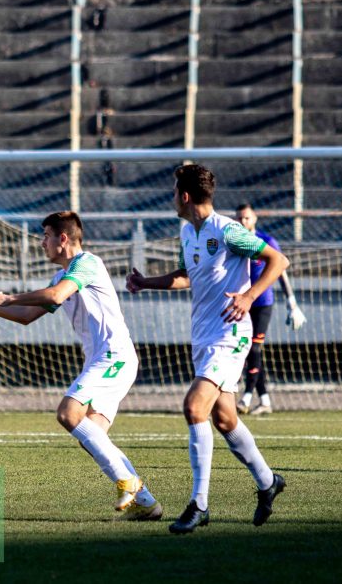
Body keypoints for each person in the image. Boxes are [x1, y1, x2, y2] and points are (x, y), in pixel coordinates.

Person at [0, 211, 163, 521]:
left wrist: (6, 297)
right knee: (92, 434)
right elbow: (27, 315)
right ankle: (147, 503)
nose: (42, 244)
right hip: (106, 359)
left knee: (68, 414)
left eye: (45, 236)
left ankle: (129, 483)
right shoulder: (63, 275)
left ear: (62, 238)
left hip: (114, 357)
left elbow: (55, 295)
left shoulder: (87, 264)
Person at [126, 164, 288, 534]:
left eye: (173, 192)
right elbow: (185, 276)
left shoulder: (229, 230)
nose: (173, 199)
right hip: (203, 335)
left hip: (231, 334)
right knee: (224, 418)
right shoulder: (188, 232)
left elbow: (278, 261)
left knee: (194, 406)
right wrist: (145, 282)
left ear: (184, 196)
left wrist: (248, 296)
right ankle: (267, 482)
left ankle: (199, 505)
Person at [235, 203, 307, 415]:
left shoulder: (267, 241)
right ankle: (265, 399)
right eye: (239, 218)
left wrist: (291, 303)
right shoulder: (235, 243)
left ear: (254, 219)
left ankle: (246, 396)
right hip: (242, 303)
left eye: (246, 218)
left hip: (262, 303)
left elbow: (281, 270)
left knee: (254, 348)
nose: (242, 222)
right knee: (248, 350)